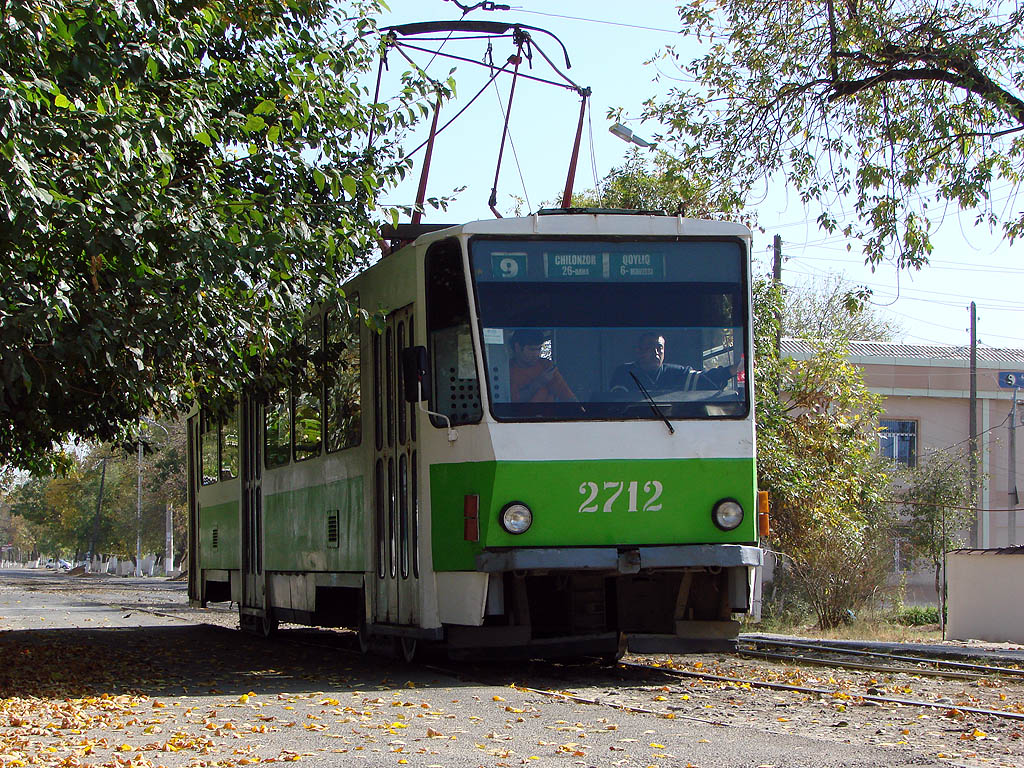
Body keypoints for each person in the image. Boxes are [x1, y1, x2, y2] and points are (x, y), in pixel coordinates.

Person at [610, 332, 737, 393]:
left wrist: (733, 370)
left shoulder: (675, 372)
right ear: (639, 350)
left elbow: (705, 378)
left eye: (659, 348)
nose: (656, 352)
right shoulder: (625, 373)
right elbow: (618, 403)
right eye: (649, 346)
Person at [508, 330, 576, 403]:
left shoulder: (546, 365)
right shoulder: (506, 370)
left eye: (539, 349)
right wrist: (538, 383)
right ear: (517, 347)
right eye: (532, 349)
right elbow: (512, 400)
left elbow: (566, 395)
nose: (537, 354)